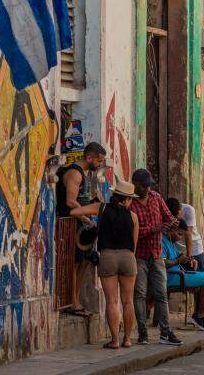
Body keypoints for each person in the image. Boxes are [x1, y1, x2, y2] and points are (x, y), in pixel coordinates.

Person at [129, 169, 182, 346]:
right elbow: (131, 230)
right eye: (144, 186)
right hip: (140, 255)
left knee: (161, 293)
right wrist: (153, 229)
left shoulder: (156, 198)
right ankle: (142, 332)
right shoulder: (130, 203)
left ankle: (165, 332)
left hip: (157, 254)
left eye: (148, 185)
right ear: (135, 185)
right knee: (140, 294)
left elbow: (169, 217)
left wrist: (171, 224)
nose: (147, 188)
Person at [56, 142, 107, 317]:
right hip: (72, 225)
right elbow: (71, 201)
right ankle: (73, 302)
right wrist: (86, 218)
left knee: (85, 261)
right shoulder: (74, 173)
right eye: (98, 161)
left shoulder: (86, 174)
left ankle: (75, 299)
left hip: (83, 226)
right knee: (74, 263)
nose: (100, 165)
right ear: (89, 157)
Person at [97, 179, 139, 349]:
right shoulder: (134, 217)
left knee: (112, 301)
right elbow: (133, 246)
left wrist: (87, 219)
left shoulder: (102, 208)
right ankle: (127, 339)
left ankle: (114, 340)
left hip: (107, 257)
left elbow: (76, 210)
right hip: (128, 257)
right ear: (127, 199)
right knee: (128, 301)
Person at [162, 221, 204, 331]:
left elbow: (179, 255)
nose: (180, 238)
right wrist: (178, 261)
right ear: (172, 230)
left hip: (179, 274)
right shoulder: (162, 241)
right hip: (172, 277)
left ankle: (198, 315)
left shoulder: (171, 242)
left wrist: (190, 260)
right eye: (179, 234)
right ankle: (199, 317)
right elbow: (162, 263)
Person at [165, 197, 204, 272]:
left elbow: (188, 234)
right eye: (174, 217)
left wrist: (189, 259)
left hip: (194, 249)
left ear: (180, 209)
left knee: (199, 276)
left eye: (177, 216)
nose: (176, 219)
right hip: (178, 252)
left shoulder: (189, 210)